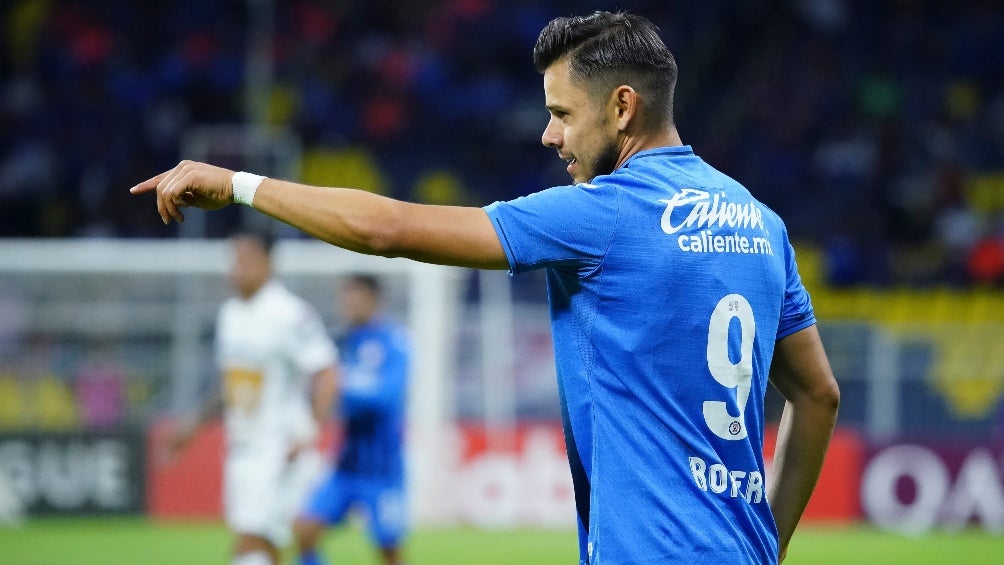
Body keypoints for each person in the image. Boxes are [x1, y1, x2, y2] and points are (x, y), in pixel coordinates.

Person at [134, 11, 840, 564]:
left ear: (622, 108)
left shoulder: (602, 214)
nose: (548, 135)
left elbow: (387, 229)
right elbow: (818, 394)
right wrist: (765, 545)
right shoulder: (761, 223)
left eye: (563, 114)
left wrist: (239, 183)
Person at [163, 232, 339, 565]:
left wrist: (310, 431)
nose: (236, 268)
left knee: (252, 542)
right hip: (242, 447)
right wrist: (192, 426)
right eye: (233, 259)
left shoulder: (289, 313)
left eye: (245, 260)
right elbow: (231, 385)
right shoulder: (231, 315)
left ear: (268, 264)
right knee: (266, 545)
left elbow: (327, 374)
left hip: (278, 448)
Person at [295, 274, 410, 565]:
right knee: (304, 530)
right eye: (345, 299)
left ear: (375, 300)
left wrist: (340, 385)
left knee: (389, 551)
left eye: (355, 299)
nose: (348, 305)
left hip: (383, 467)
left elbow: (387, 396)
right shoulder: (343, 342)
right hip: (347, 464)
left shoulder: (394, 342)